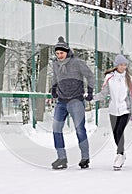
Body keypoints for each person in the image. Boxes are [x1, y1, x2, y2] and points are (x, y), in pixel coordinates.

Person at [51, 36, 94, 170]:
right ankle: (62, 158)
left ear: (67, 51)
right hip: (61, 102)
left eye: (61, 53)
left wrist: (90, 91)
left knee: (79, 129)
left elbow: (90, 75)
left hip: (76, 100)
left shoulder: (77, 62)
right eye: (57, 53)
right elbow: (55, 77)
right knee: (56, 129)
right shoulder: (55, 64)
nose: (59, 55)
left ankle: (85, 157)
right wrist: (53, 88)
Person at [94, 55, 132, 170]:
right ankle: (122, 153)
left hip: (125, 110)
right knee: (115, 134)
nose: (123, 67)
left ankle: (119, 154)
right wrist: (91, 97)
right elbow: (103, 94)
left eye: (124, 65)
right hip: (113, 110)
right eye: (120, 65)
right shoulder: (109, 77)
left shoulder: (130, 79)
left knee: (120, 131)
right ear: (116, 65)